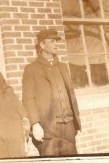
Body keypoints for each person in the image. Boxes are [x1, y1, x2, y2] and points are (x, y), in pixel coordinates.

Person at [22, 28, 81, 156]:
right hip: (47, 128)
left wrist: (74, 123)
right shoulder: (31, 69)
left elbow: (70, 95)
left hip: (69, 126)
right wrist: (35, 124)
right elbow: (28, 99)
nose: (56, 44)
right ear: (42, 45)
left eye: (56, 41)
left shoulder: (63, 67)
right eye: (52, 41)